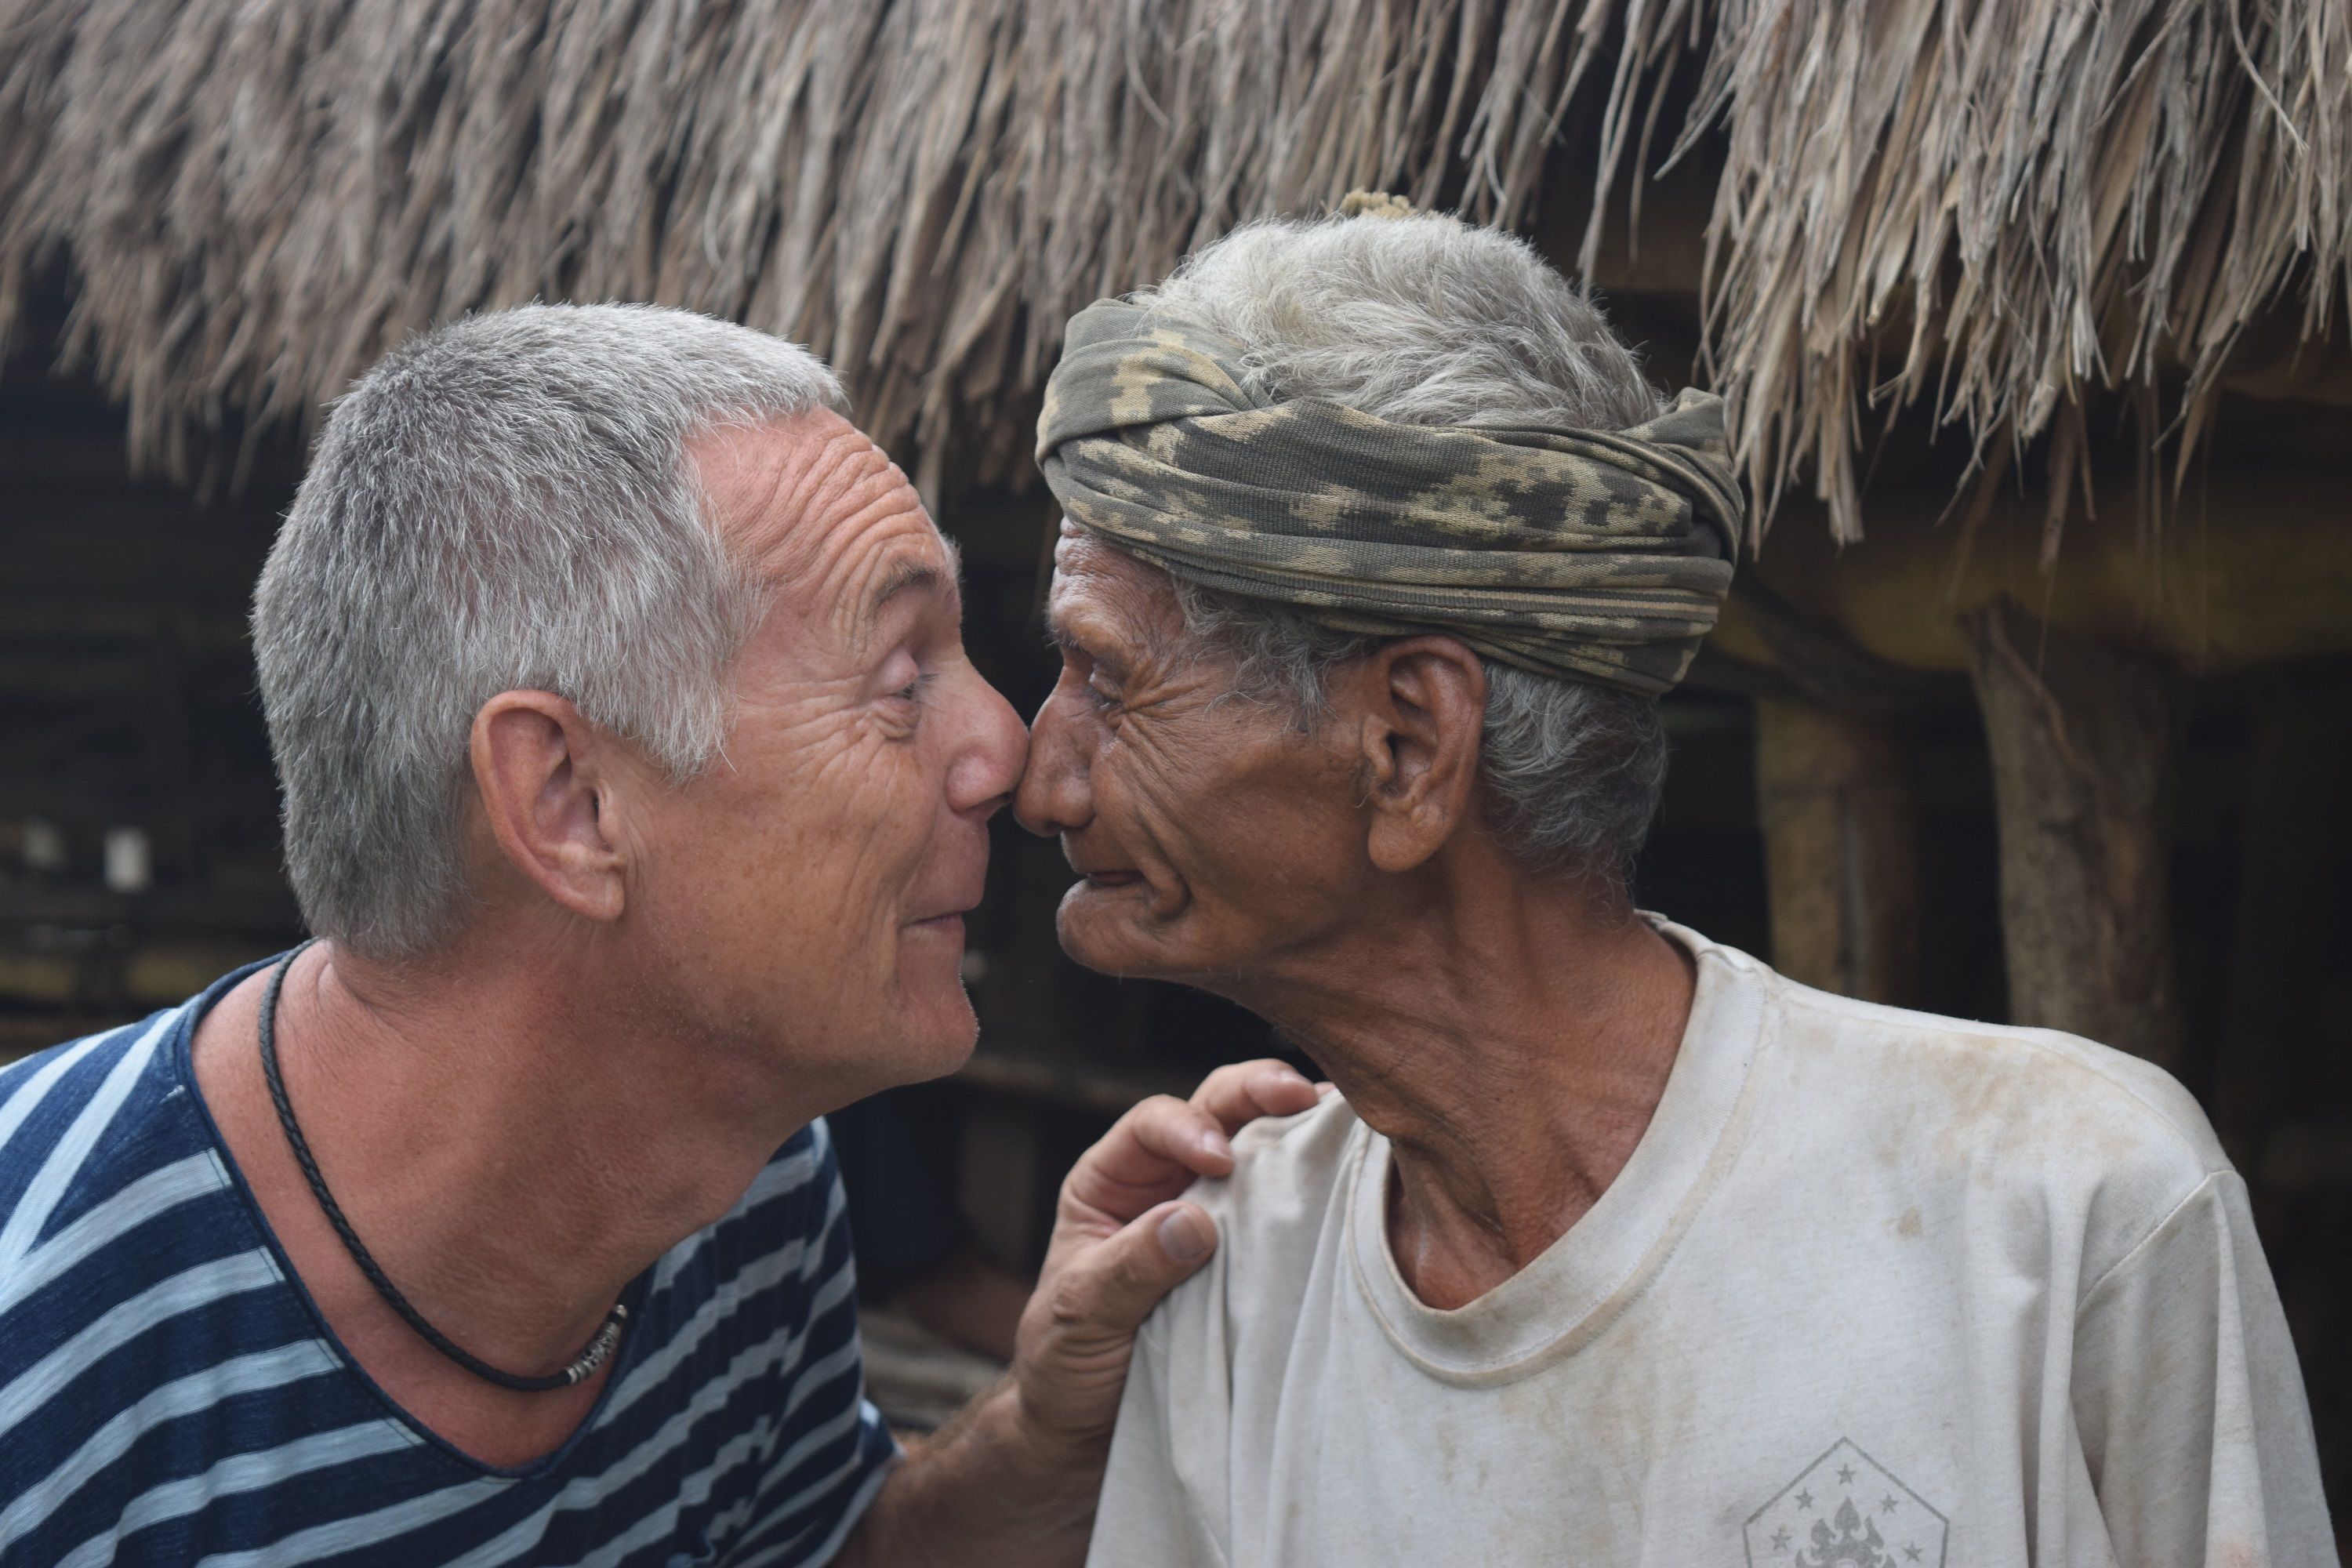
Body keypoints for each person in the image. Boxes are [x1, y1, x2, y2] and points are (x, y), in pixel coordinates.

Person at [1018, 203, 2336, 1567]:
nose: (1037, 778)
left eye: (1107, 679)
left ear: (1409, 744)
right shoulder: (1221, 1276)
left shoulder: (2069, 1207)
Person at [0, 303, 1319, 1567]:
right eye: (903, 679)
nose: (1008, 756)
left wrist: (1041, 1426)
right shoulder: (41, 1358)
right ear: (569, 804)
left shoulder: (741, 1191)